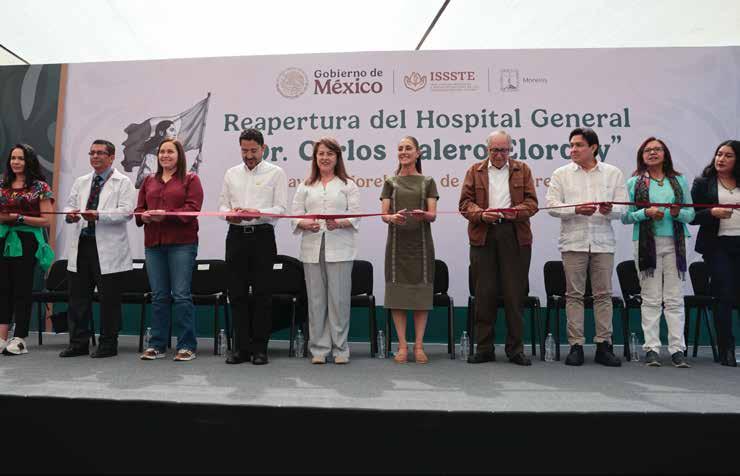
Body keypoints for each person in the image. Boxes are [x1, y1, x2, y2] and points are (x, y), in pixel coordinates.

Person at [545, 127, 627, 367]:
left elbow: (624, 209)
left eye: (579, 145)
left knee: (603, 295)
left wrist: (610, 210)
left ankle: (604, 345)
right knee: (574, 295)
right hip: (573, 242)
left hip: (603, 243)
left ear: (593, 147)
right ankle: (576, 346)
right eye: (571, 145)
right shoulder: (561, 174)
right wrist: (576, 209)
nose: (573, 149)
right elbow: (551, 206)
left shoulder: (612, 173)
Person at [458, 131, 538, 366]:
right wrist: (482, 214)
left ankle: (515, 350)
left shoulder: (523, 170)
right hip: (484, 235)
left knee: (515, 294)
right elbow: (465, 204)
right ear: (487, 150)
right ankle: (484, 348)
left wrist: (515, 212)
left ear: (510, 149)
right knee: (484, 294)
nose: (499, 154)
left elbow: (532, 203)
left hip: (514, 235)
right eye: (495, 150)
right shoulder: (475, 171)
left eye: (503, 150)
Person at [60, 139, 136, 358]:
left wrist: (99, 215)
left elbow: (127, 212)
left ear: (111, 157)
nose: (95, 156)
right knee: (78, 298)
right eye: (92, 153)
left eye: (100, 153)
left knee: (109, 299)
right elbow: (70, 205)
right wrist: (71, 215)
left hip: (108, 248)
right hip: (82, 245)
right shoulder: (82, 181)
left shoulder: (123, 182)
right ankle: (78, 343)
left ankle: (108, 344)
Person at [623, 137, 694, 368]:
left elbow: (690, 215)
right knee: (651, 298)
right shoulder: (634, 182)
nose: (653, 153)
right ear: (642, 155)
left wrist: (676, 213)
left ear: (665, 154)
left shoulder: (679, 180)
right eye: (648, 150)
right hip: (646, 244)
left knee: (674, 298)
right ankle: (652, 349)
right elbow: (625, 216)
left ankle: (677, 349)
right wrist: (646, 213)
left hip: (676, 243)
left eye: (657, 149)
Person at [218, 128, 287, 365]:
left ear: (263, 148)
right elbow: (222, 206)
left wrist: (259, 213)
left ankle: (260, 349)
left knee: (262, 294)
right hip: (236, 237)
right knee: (236, 294)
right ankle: (241, 349)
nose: (249, 155)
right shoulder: (231, 173)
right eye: (244, 150)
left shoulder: (276, 173)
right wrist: (229, 215)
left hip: (262, 237)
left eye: (253, 151)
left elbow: (280, 209)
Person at [291, 137, 360, 365]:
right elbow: (295, 215)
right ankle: (319, 349)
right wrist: (305, 224)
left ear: (337, 157)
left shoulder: (348, 184)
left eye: (330, 154)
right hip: (312, 249)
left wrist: (338, 223)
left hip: (340, 249)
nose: (325, 158)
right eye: (321, 153)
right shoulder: (305, 185)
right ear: (315, 157)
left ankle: (340, 349)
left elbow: (356, 216)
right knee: (316, 301)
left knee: (339, 301)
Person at [135, 139, 203, 362]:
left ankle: (187, 345)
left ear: (179, 155)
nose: (165, 155)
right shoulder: (148, 180)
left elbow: (193, 209)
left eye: (170, 152)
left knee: (181, 295)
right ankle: (157, 345)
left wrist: (166, 215)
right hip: (154, 244)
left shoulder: (191, 179)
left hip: (182, 244)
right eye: (162, 151)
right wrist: (143, 216)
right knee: (159, 296)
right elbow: (139, 209)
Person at [380, 136, 438, 364]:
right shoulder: (390, 181)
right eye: (400, 148)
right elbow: (384, 215)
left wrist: (424, 215)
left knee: (421, 295)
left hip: (422, 246)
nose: (404, 152)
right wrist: (391, 217)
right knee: (398, 296)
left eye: (408, 148)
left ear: (418, 153)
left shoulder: (428, 181)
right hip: (397, 247)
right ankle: (403, 346)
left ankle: (419, 346)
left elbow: (432, 215)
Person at [0, 144, 54, 355]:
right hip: (3, 238)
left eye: (20, 158)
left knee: (22, 289)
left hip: (27, 240)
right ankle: (2, 336)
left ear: (29, 161)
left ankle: (20, 337)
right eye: (13, 158)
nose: (15, 162)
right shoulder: (2, 183)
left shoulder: (40, 187)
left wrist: (20, 218)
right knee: (3, 288)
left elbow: (47, 220)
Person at [691, 140, 740, 366]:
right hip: (717, 245)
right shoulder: (703, 183)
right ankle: (726, 348)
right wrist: (712, 212)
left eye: (728, 155)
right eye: (719, 154)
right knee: (725, 294)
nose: (721, 159)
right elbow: (691, 216)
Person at [135, 120, 178, 189]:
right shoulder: (152, 155)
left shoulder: (175, 155)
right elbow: (145, 178)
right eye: (171, 130)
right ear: (161, 133)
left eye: (175, 131)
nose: (175, 134)